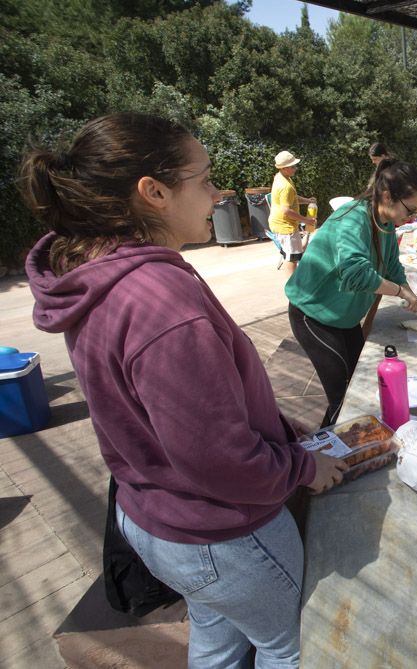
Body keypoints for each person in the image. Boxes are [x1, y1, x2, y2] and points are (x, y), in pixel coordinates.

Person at [19, 113, 347, 667]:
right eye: (205, 178)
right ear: (154, 193)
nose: (216, 193)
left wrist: (272, 425)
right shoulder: (160, 302)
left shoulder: (96, 270)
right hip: (221, 535)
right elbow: (217, 460)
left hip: (155, 518)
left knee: (216, 641)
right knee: (291, 648)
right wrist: (302, 468)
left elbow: (166, 409)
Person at [286, 158, 417, 428]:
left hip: (344, 317)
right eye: (410, 209)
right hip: (314, 315)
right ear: (387, 196)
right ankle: (325, 456)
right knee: (343, 399)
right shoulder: (354, 218)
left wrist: (410, 293)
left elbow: (392, 266)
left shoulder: (385, 222)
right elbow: (356, 273)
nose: (411, 217)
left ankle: (339, 446)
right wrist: (400, 291)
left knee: (358, 387)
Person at [268, 150, 318, 277]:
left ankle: (293, 284)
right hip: (285, 227)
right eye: (293, 166)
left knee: (291, 254)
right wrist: (306, 221)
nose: (295, 168)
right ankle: (292, 287)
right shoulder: (286, 186)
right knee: (292, 258)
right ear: (284, 168)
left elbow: (293, 198)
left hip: (281, 224)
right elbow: (286, 210)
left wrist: (307, 201)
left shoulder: (281, 177)